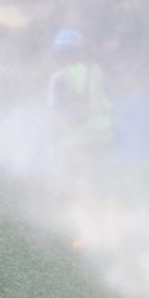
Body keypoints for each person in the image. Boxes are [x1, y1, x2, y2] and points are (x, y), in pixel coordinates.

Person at [47, 28, 114, 188]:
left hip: (76, 140)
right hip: (103, 137)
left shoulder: (59, 78)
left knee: (76, 184)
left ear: (60, 52)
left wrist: (54, 140)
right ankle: (110, 207)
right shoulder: (96, 70)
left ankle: (83, 210)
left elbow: (55, 113)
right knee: (101, 180)